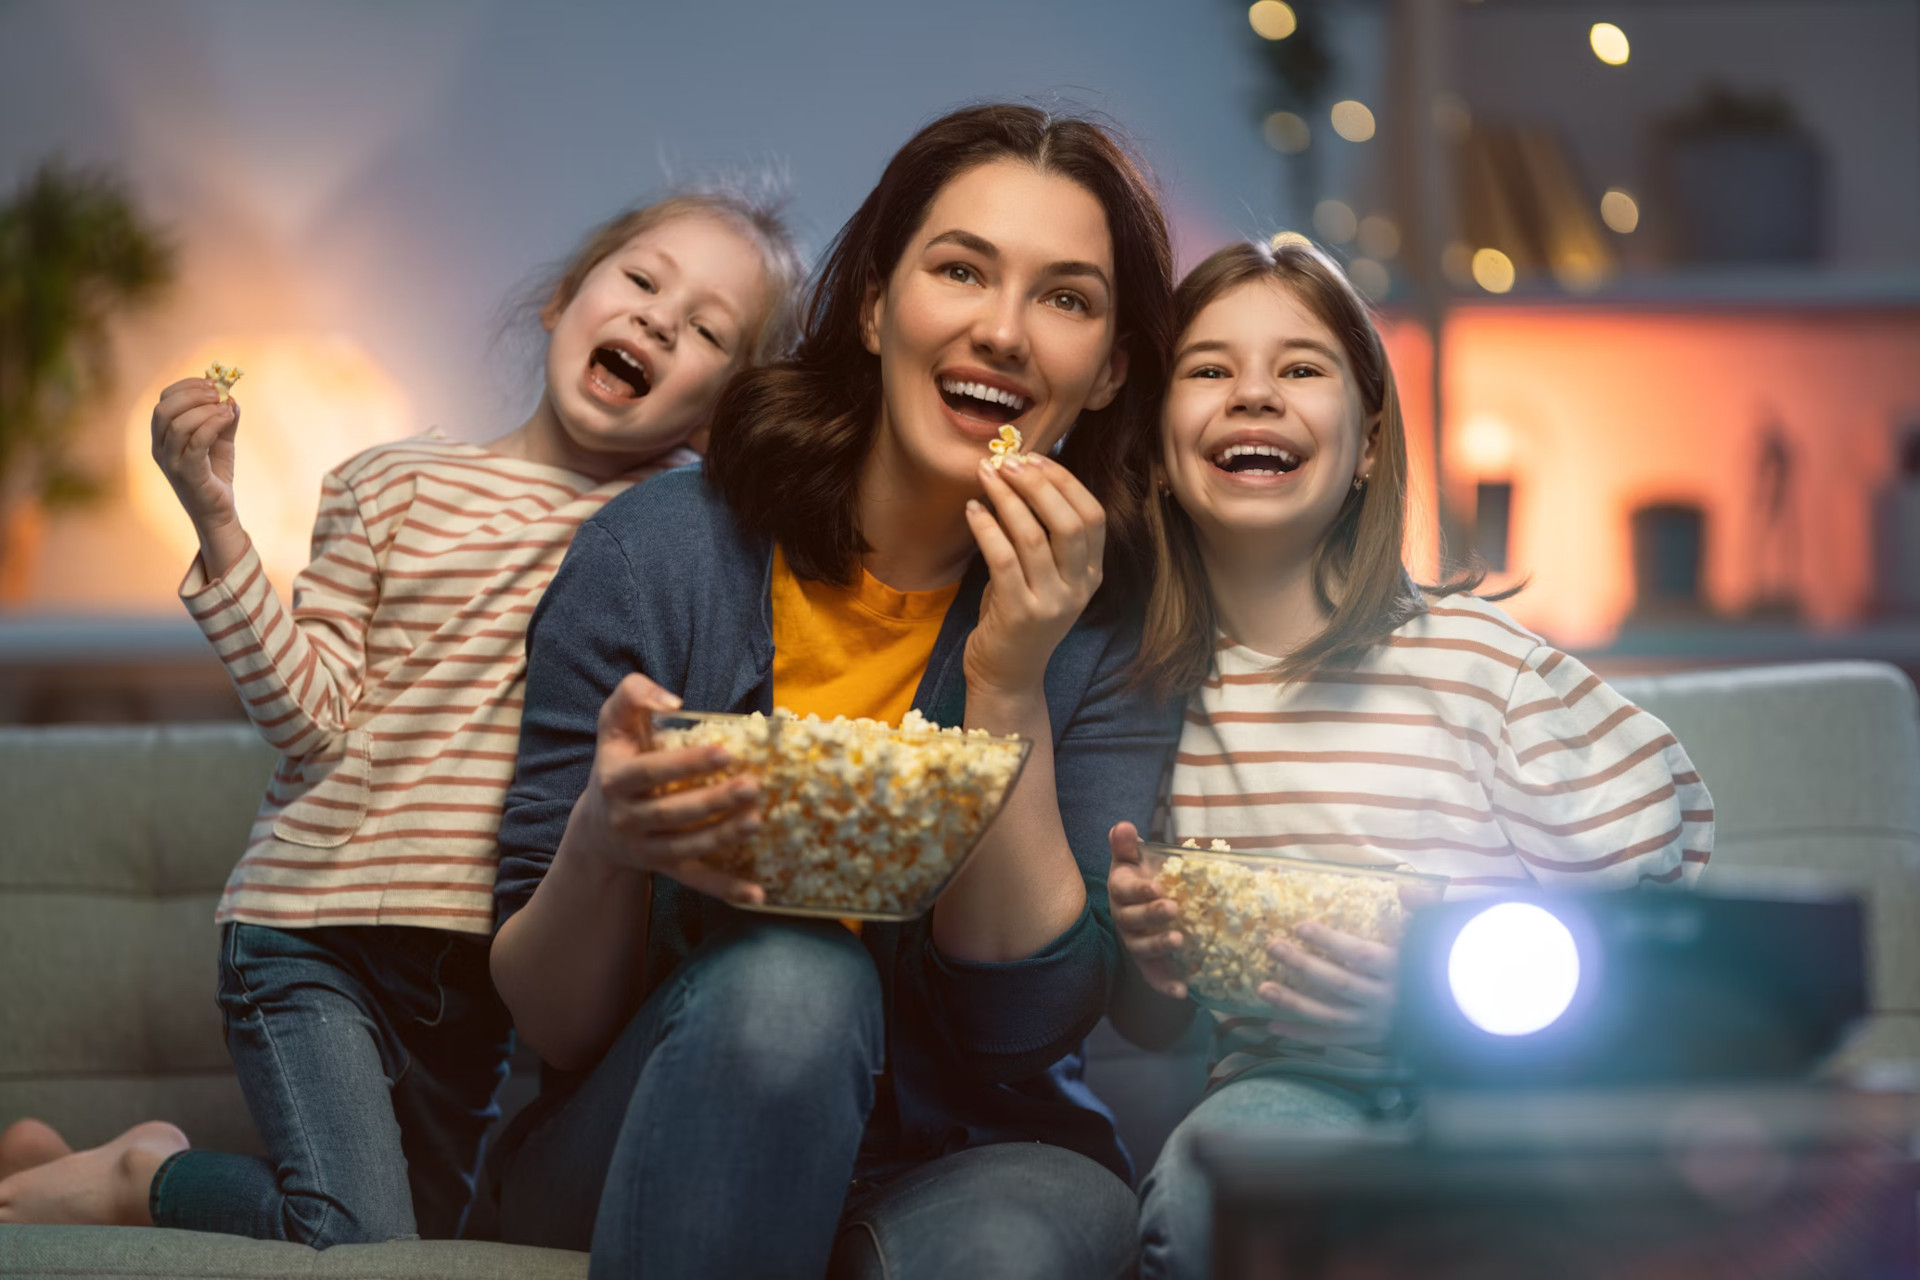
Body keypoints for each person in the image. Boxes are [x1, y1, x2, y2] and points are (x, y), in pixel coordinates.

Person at [0, 188, 803, 1246]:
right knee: (354, 1232)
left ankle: (69, 1163)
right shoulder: (392, 483)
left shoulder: (678, 543)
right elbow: (312, 717)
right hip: (313, 929)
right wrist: (217, 522)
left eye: (707, 329)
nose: (659, 319)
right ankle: (138, 1175)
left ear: (717, 408)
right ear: (563, 300)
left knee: (410, 1247)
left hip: (482, 978)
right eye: (643, 281)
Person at [478, 103, 1180, 1279]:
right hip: (643, 1118)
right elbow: (549, 1024)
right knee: (798, 976)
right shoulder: (658, 553)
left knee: (1053, 1219)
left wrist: (1009, 675)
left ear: (1108, 371)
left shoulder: (1108, 627)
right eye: (960, 268)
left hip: (959, 1153)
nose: (1002, 331)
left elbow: (1017, 1031)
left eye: (1064, 297)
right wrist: (604, 837)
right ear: (874, 305)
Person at [1105, 237, 1716, 1280]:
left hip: (1512, 1085)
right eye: (1209, 368)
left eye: (1300, 367)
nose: (1254, 392)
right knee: (1206, 1190)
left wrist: (1447, 985)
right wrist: (1150, 960)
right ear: (1159, 448)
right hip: (1294, 1087)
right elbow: (1154, 1027)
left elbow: (1670, 909)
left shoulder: (1479, 666)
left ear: (1372, 442)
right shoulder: (1148, 700)